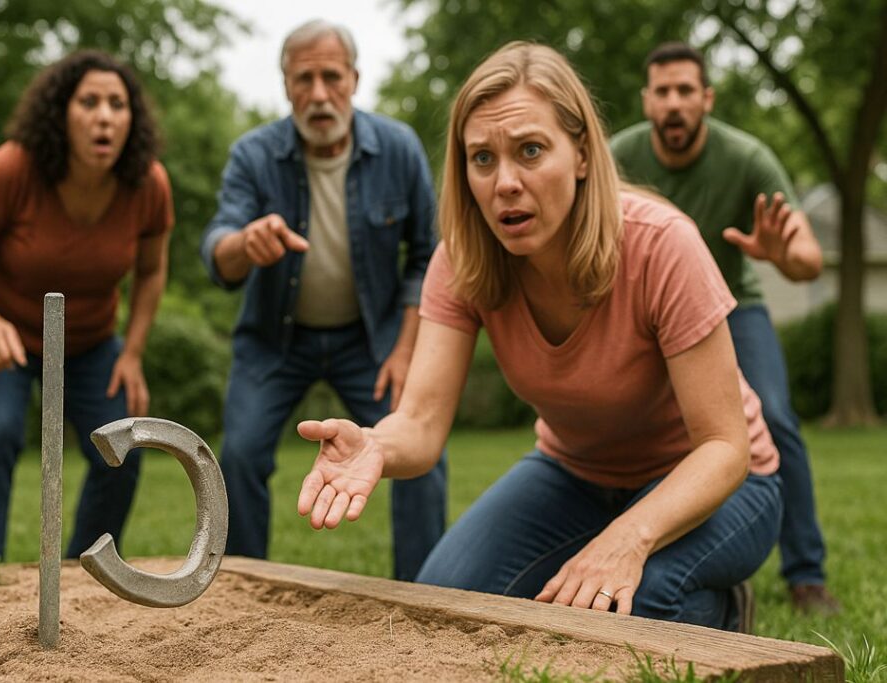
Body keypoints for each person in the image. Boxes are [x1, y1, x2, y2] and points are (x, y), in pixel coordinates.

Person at [296, 41, 784, 632]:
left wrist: (626, 538)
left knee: (632, 607)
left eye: (530, 151)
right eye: (482, 158)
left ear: (581, 154)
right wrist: (376, 446)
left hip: (719, 484)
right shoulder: (463, 261)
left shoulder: (662, 244)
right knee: (445, 606)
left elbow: (724, 447)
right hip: (574, 472)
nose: (505, 182)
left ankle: (722, 606)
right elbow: (421, 423)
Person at [200, 20, 446, 581]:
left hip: (375, 339)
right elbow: (216, 250)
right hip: (275, 341)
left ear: (354, 79)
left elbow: (428, 257)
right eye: (303, 78)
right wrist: (246, 243)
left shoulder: (399, 148)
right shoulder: (253, 155)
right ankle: (241, 586)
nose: (318, 94)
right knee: (237, 452)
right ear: (286, 85)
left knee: (419, 453)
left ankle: (424, 590)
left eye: (330, 76)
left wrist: (407, 349)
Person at [609, 42, 838, 615]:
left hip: (735, 307)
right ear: (647, 100)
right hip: (648, 312)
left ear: (706, 98)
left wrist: (781, 254)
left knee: (776, 420)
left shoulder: (748, 157)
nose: (674, 103)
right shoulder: (620, 155)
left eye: (686, 90)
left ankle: (806, 575)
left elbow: (809, 258)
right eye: (662, 92)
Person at [0, 50, 174, 563]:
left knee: (122, 444)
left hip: (87, 342)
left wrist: (131, 353)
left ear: (132, 119)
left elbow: (151, 272)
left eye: (117, 104)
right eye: (89, 102)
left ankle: (87, 571)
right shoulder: (13, 167)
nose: (104, 115)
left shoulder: (148, 185)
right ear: (61, 113)